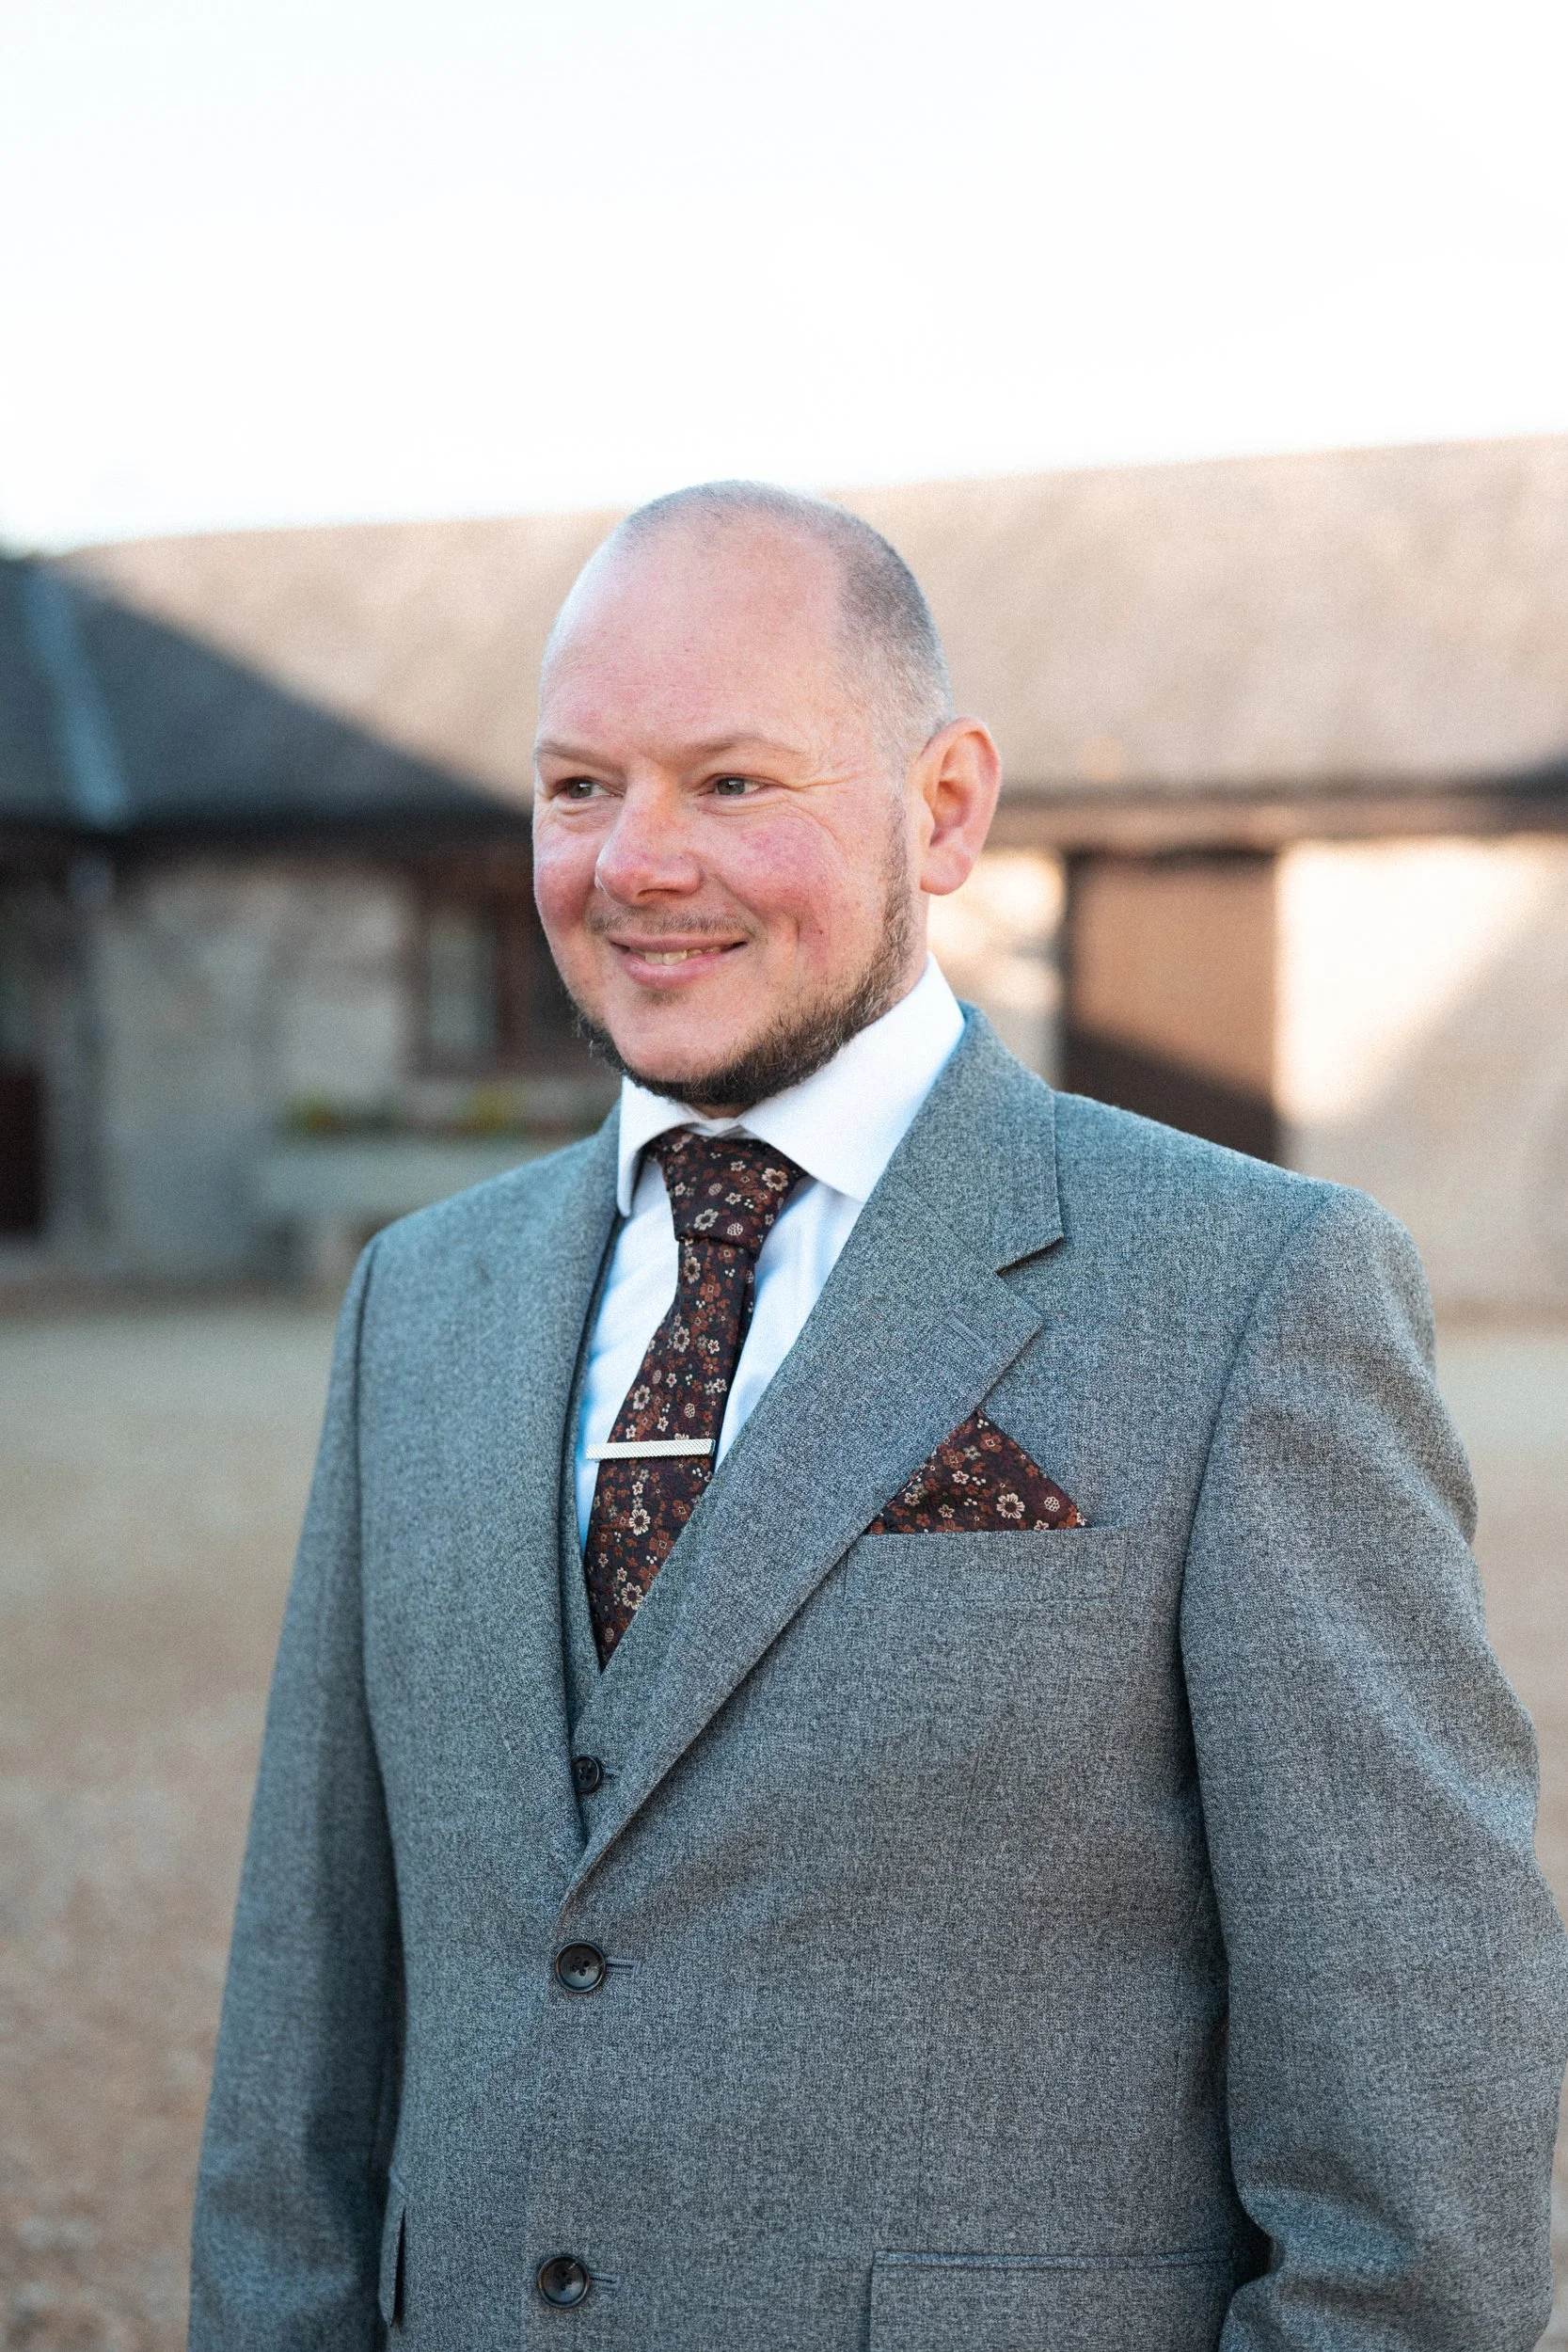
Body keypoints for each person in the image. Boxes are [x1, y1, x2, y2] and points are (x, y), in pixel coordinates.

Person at [189, 483, 1567, 2351]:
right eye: (578, 783)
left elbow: (1419, 2135)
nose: (635, 861)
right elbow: (304, 2036)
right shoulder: (417, 1304)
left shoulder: (1248, 1290)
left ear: (944, 806)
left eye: (733, 781)